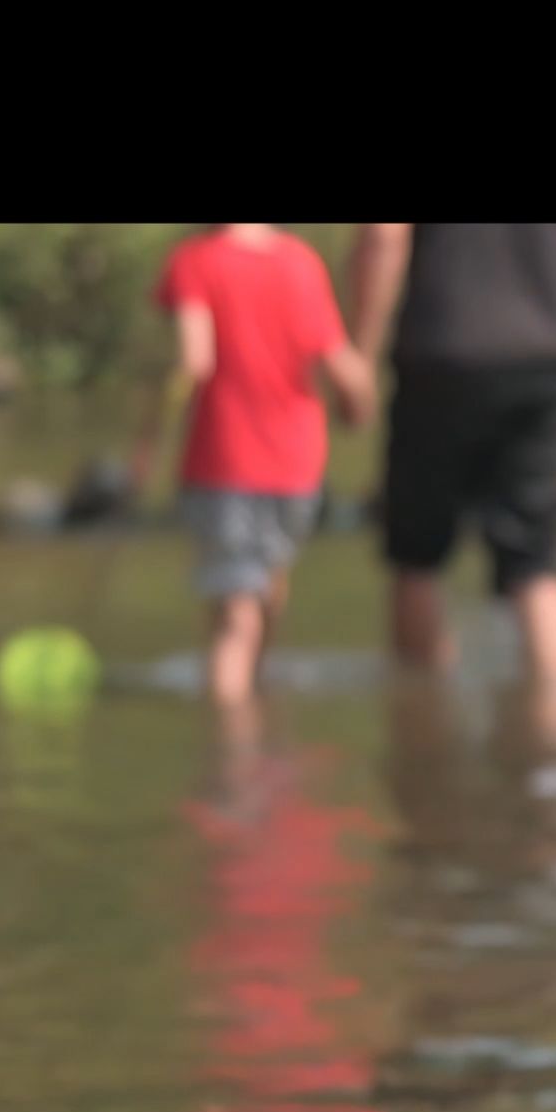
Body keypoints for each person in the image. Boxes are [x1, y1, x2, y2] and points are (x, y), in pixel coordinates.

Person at [347, 223, 556, 750]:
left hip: (440, 353)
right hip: (543, 357)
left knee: (416, 557)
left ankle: (424, 746)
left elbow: (383, 238)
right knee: (537, 562)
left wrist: (360, 354)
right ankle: (555, 750)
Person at [134, 225, 374, 736]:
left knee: (232, 615)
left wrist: (148, 439)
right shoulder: (301, 263)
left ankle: (232, 755)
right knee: (265, 586)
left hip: (225, 460)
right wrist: (359, 410)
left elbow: (194, 361)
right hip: (297, 466)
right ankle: (262, 716)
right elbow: (344, 367)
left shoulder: (194, 261)